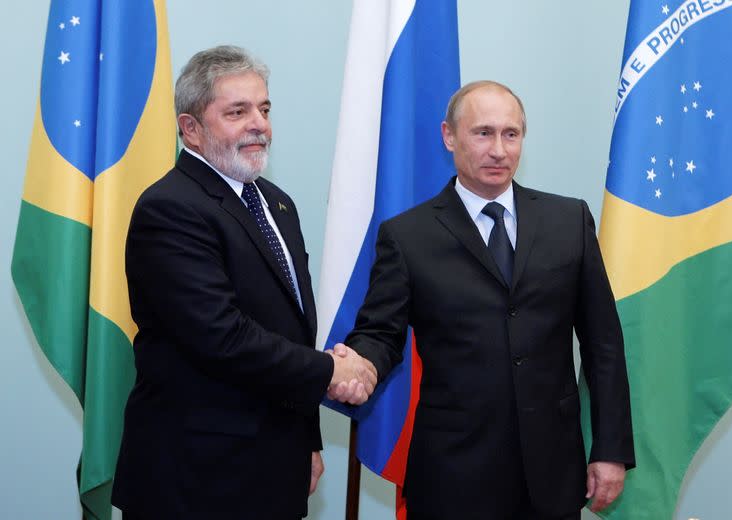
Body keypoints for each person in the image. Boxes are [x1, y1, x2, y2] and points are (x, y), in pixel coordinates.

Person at [341, 80, 635, 520]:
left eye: (510, 134)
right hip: (452, 474)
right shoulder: (408, 236)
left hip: (552, 471)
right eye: (483, 133)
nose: (499, 149)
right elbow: (380, 334)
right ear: (449, 136)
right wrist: (359, 364)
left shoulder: (569, 220)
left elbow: (604, 346)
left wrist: (610, 449)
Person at [111, 45, 375, 520]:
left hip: (274, 466)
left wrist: (307, 440)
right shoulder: (170, 208)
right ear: (190, 128)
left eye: (264, 108)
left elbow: (291, 327)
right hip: (195, 480)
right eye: (238, 111)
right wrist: (330, 372)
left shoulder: (276, 203)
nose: (260, 124)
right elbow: (222, 336)